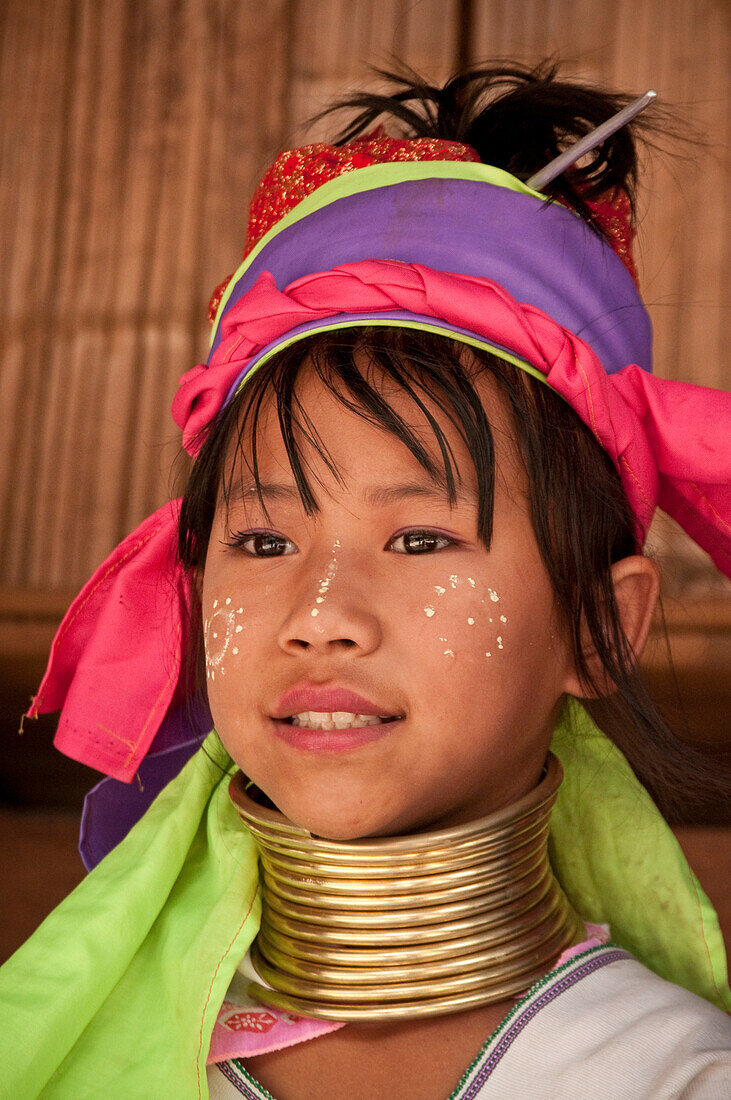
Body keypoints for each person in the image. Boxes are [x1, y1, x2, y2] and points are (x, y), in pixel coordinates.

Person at [1, 61, 730, 1099]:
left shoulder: (672, 1078)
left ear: (597, 626)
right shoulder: (68, 1044)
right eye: (261, 542)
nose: (318, 615)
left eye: (421, 539)